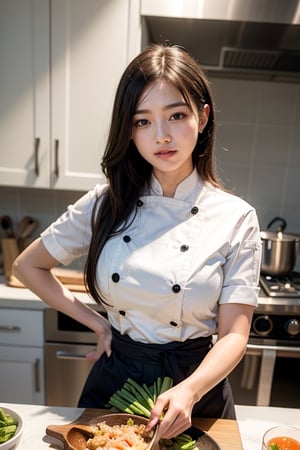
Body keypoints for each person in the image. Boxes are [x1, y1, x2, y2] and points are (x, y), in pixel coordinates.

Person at [12, 42, 261, 439]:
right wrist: (98, 323)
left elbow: (234, 334)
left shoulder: (236, 218)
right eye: (142, 121)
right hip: (117, 378)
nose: (161, 136)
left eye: (176, 115)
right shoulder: (104, 202)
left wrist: (190, 389)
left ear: (203, 116)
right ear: (128, 130)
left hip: (196, 387)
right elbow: (27, 266)